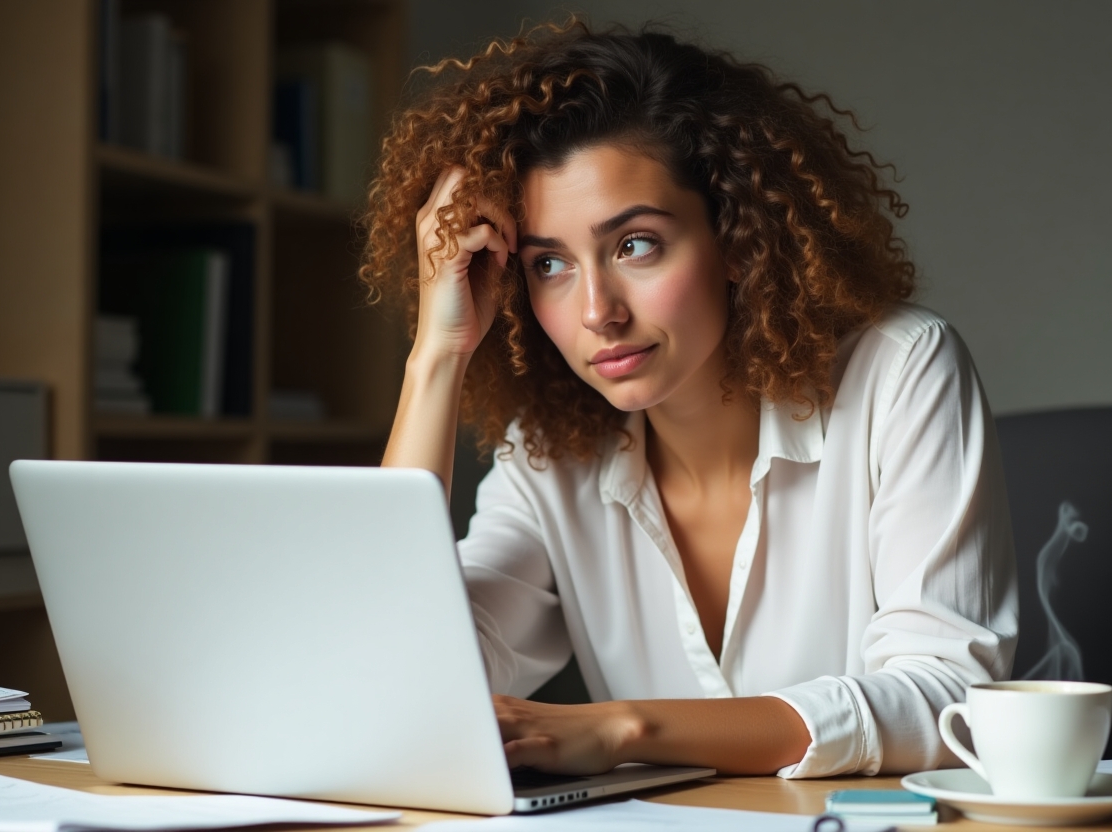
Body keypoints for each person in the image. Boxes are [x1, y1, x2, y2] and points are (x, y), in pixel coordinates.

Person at [359, 19, 1018, 779]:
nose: (597, 311)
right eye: (550, 265)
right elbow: (403, 673)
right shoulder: (549, 451)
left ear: (738, 237)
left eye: (634, 244)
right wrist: (436, 358)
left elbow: (950, 698)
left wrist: (626, 730)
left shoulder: (900, 373)